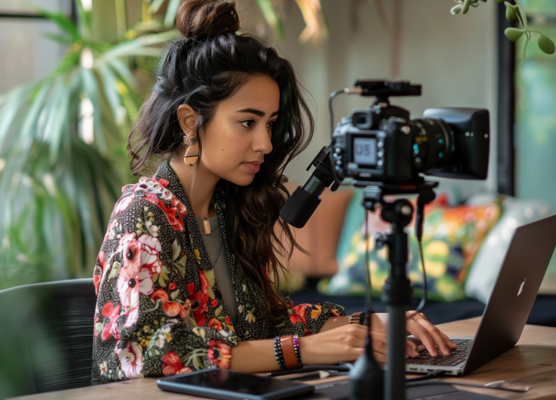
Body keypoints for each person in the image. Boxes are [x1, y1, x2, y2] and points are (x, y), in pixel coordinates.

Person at [91, 0, 456, 384]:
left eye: (270, 123)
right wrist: (304, 351)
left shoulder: (230, 209)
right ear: (190, 120)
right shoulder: (144, 212)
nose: (265, 143)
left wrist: (366, 322)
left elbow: (266, 326)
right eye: (247, 122)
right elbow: (148, 351)